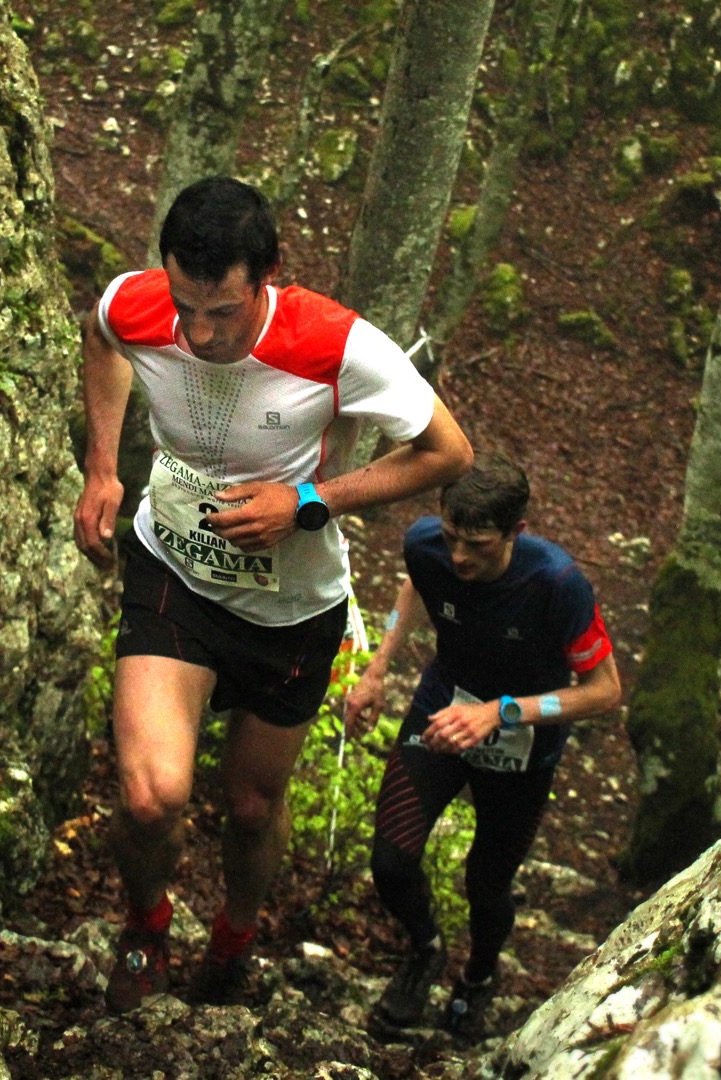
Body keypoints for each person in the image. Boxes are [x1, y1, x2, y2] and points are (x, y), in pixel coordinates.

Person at [73, 176, 472, 1013]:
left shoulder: (337, 345)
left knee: (252, 806)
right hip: (173, 570)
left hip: (290, 608)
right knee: (152, 797)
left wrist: (308, 503)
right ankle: (147, 924)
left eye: (222, 312)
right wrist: (103, 466)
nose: (200, 332)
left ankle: (236, 935)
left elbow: (447, 453)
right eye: (188, 307)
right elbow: (102, 335)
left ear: (268, 277)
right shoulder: (141, 305)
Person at [343, 454, 621, 1037]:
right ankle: (425, 950)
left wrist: (502, 713)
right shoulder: (427, 545)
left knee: (486, 883)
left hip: (521, 741)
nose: (460, 557)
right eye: (451, 538)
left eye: (478, 545)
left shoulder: (557, 583)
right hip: (443, 706)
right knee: (391, 860)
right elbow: (417, 584)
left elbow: (604, 692)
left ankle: (478, 976)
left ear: (517, 532)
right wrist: (379, 669)